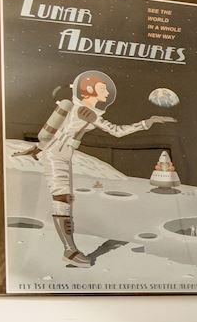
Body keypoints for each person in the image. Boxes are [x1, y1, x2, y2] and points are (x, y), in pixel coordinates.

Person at [13, 70, 174, 267]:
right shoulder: (86, 112)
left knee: (65, 199)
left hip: (59, 154)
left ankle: (70, 249)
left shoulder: (83, 110)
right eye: (102, 88)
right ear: (89, 90)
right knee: (62, 199)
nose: (107, 92)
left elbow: (60, 131)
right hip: (57, 156)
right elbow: (116, 132)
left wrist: (38, 148)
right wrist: (146, 123)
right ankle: (70, 251)